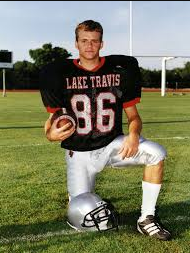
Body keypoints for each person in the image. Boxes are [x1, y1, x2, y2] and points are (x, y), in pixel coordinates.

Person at [39, 20, 171, 240]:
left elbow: (134, 116)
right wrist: (50, 134)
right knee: (81, 211)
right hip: (79, 152)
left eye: (94, 41)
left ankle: (146, 218)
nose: (89, 46)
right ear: (76, 43)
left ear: (102, 43)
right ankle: (77, 192)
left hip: (112, 144)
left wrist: (134, 135)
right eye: (84, 41)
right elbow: (52, 120)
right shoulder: (59, 73)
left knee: (156, 153)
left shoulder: (119, 71)